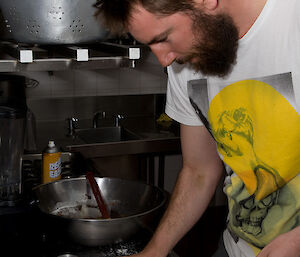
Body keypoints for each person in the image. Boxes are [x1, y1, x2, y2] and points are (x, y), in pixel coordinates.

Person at [94, 0, 300, 256]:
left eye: (164, 38)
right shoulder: (185, 65)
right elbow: (198, 171)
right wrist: (156, 250)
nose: (164, 60)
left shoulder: (292, 22)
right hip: (235, 247)